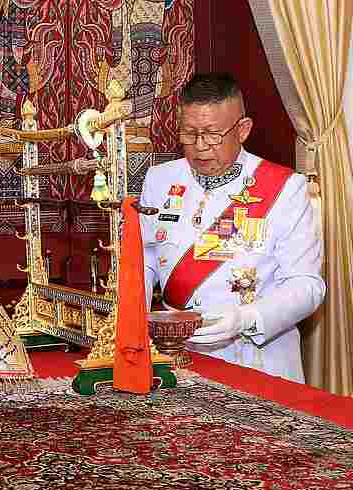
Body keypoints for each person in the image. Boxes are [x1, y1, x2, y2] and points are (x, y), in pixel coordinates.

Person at [139, 73, 326, 382]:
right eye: (189, 133)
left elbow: (308, 285)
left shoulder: (283, 188)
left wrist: (246, 318)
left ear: (243, 130)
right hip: (176, 354)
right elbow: (143, 263)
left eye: (212, 134)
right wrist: (138, 323)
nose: (199, 147)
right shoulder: (160, 180)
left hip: (255, 356)